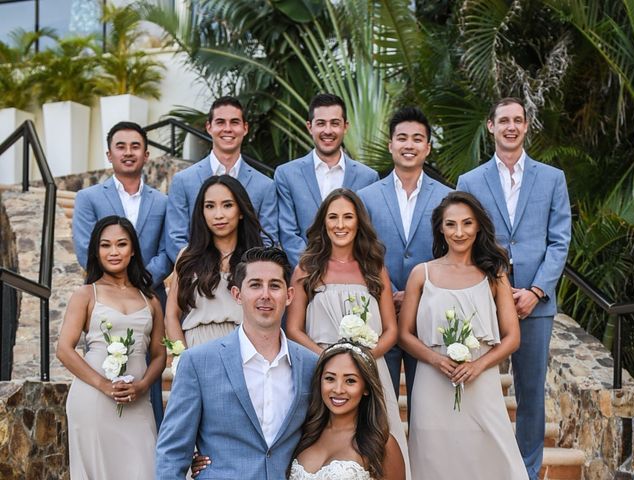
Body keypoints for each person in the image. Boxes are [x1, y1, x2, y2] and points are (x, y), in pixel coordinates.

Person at [457, 97, 571, 479]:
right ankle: (481, 467)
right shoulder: (470, 182)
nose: (511, 126)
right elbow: (463, 241)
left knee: (531, 393)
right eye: (503, 120)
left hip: (535, 305)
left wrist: (537, 290)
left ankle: (527, 470)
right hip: (484, 301)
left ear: (525, 126)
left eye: (517, 120)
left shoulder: (552, 178)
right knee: (476, 388)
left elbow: (559, 241)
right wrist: (495, 290)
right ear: (490, 126)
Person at [155, 247, 318, 479]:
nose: (265, 295)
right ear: (237, 294)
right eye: (254, 285)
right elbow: (171, 454)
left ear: (289, 295)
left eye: (274, 285)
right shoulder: (198, 362)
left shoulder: (311, 365)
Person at [398, 191, 528, 479]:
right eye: (451, 224)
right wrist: (435, 359)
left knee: (492, 456)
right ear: (440, 229)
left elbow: (512, 337)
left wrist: (478, 365)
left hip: (481, 382)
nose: (459, 232)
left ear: (478, 226)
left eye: (467, 224)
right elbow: (404, 334)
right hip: (433, 382)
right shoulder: (422, 274)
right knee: (434, 457)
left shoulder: (495, 274)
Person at [286, 188, 411, 479]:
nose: (340, 225)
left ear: (359, 223)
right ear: (323, 223)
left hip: (367, 369)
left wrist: (361, 360)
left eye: (347, 217)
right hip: (321, 370)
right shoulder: (307, 268)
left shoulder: (374, 268)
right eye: (333, 217)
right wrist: (330, 360)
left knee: (378, 442)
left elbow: (391, 330)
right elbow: (293, 328)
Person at [72, 122, 169, 428]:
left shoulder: (162, 202)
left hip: (150, 295)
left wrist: (137, 282)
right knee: (106, 361)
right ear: (109, 154)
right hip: (106, 300)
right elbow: (83, 249)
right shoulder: (88, 198)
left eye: (135, 146)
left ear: (147, 154)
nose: (128, 152)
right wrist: (119, 285)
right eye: (121, 146)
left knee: (148, 374)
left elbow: (167, 252)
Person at [57, 216, 166, 479]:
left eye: (121, 244)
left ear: (133, 250)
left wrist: (142, 387)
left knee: (144, 469)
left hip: (137, 402)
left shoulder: (150, 299)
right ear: (96, 251)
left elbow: (160, 354)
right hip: (93, 400)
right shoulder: (86, 294)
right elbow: (64, 349)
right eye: (106, 245)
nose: (114, 252)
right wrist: (104, 384)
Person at [358, 107, 451, 405]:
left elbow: (451, 254)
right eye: (402, 138)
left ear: (428, 147)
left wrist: (413, 294)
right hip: (378, 315)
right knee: (378, 401)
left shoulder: (446, 197)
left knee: (427, 403)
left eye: (417, 139)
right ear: (390, 145)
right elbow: (360, 253)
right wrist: (388, 294)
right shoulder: (366, 196)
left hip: (428, 314)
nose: (408, 145)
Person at [165, 96, 278, 262]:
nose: (227, 129)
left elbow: (268, 240)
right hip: (198, 277)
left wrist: (243, 274)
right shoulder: (183, 181)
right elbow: (176, 239)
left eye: (234, 122)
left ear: (245, 128)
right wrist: (203, 272)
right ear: (209, 127)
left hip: (246, 279)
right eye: (220, 122)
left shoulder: (265, 185)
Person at [275, 93, 379, 267]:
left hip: (353, 276)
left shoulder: (368, 177)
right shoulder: (286, 174)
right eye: (321, 123)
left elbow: (367, 234)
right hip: (304, 275)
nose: (328, 131)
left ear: (345, 127)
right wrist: (314, 269)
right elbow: (288, 234)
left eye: (335, 123)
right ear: (310, 127)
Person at [164, 175, 264, 348]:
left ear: (241, 211)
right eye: (210, 206)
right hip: (196, 347)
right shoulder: (188, 255)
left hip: (245, 347)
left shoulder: (258, 258)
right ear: (202, 212)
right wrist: (182, 358)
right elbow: (171, 315)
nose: (218, 215)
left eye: (227, 205)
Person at [289, 341, 405, 479]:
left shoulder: (381, 443)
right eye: (330, 378)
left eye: (350, 381)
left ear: (366, 387)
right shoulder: (304, 433)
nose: (338, 389)